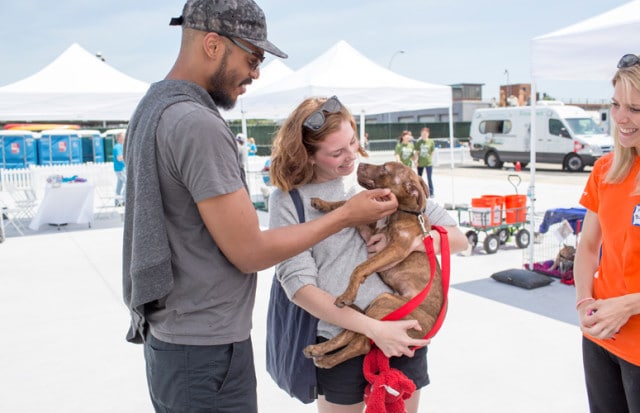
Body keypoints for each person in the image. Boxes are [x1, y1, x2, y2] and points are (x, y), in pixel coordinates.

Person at [121, 2, 399, 412]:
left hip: (172, 341)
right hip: (206, 352)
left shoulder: (151, 110)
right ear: (213, 45)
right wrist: (345, 214)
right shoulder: (197, 124)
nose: (255, 72)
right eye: (253, 58)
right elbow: (249, 251)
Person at [268, 96, 469, 413]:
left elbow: (459, 239)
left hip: (403, 330)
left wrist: (414, 242)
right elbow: (299, 287)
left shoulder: (377, 179)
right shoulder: (288, 202)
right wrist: (374, 329)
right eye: (337, 153)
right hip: (341, 334)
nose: (351, 158)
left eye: (353, 142)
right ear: (308, 156)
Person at [574, 53, 640, 413]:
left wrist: (629, 305)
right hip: (600, 338)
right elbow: (587, 247)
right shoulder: (605, 170)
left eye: (635, 108)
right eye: (616, 105)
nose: (621, 118)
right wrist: (584, 301)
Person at [414, 127, 435, 197]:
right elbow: (416, 152)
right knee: (419, 178)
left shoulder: (431, 142)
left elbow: (432, 151)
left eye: (425, 133)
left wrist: (430, 158)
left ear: (428, 134)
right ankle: (420, 192)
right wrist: (416, 161)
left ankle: (431, 192)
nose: (424, 135)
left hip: (428, 163)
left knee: (429, 178)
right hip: (420, 163)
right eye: (422, 133)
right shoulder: (419, 142)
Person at [112, 131, 126, 205]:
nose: (125, 137)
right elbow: (119, 158)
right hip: (120, 169)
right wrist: (127, 155)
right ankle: (124, 200)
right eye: (123, 136)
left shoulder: (120, 146)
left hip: (120, 168)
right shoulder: (118, 147)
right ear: (120, 138)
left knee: (119, 186)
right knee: (128, 183)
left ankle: (117, 202)